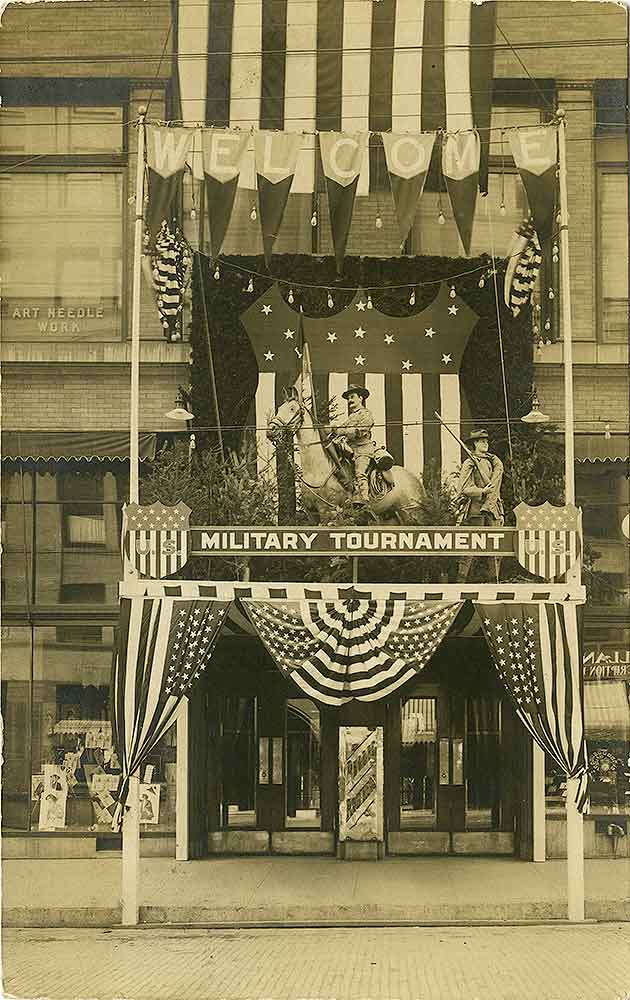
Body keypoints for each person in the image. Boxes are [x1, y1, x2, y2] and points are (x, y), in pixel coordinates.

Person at [457, 428, 504, 582]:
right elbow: (463, 488)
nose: (486, 444)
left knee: (495, 547)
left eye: (486, 441)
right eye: (482, 441)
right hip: (476, 510)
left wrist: (498, 508)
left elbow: (496, 488)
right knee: (471, 547)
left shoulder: (493, 461)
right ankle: (460, 582)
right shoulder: (470, 462)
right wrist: (482, 491)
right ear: (475, 443)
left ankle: (494, 581)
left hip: (493, 509)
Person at [330, 385, 376, 503]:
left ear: (361, 398)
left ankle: (364, 500)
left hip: (363, 449)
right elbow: (340, 429)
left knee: (360, 472)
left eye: (352, 397)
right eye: (348, 398)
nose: (349, 400)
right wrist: (330, 429)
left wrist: (340, 431)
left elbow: (359, 431)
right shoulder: (351, 417)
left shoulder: (366, 414)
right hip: (349, 450)